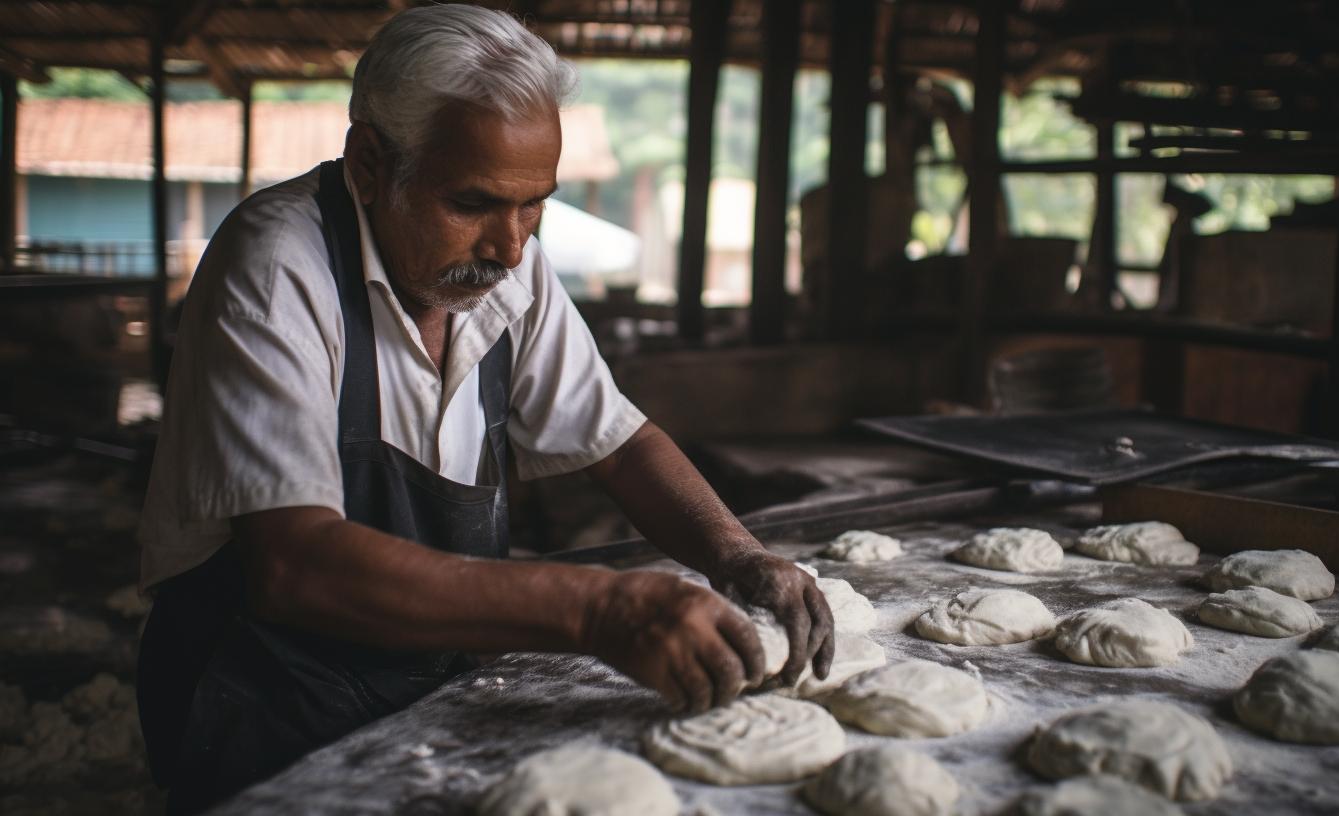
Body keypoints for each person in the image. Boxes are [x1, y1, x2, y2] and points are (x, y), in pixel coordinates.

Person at [134, 7, 833, 813]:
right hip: (262, 706)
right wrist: (599, 608)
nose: (510, 245)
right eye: (472, 202)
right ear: (369, 164)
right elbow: (295, 562)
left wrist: (738, 555)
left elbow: (616, 439)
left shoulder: (509, 266)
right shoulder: (277, 264)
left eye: (534, 205)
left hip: (423, 693)